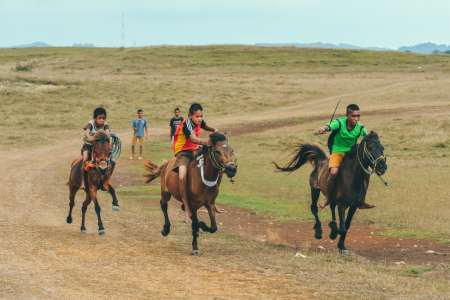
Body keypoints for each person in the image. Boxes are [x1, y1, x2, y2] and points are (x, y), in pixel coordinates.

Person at [317, 104, 375, 210]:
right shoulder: (340, 122)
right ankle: (327, 199)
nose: (356, 119)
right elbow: (330, 126)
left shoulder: (360, 127)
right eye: (353, 116)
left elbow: (365, 137)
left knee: (368, 172)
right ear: (347, 115)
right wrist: (323, 128)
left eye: (358, 116)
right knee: (333, 172)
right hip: (337, 151)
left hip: (352, 154)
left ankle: (362, 201)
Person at [172, 103, 219, 223]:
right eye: (197, 116)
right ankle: (187, 208)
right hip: (183, 152)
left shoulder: (199, 121)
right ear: (190, 115)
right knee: (182, 177)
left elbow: (207, 126)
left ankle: (212, 201)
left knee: (214, 164)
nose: (200, 119)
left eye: (201, 116)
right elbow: (193, 139)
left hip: (195, 149)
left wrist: (215, 130)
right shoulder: (187, 123)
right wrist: (205, 142)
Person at [80, 107, 110, 190]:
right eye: (99, 118)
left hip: (99, 147)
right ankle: (83, 181)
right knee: (85, 158)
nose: (101, 120)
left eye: (103, 118)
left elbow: (107, 131)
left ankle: (106, 181)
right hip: (88, 146)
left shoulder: (105, 125)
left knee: (110, 160)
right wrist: (89, 137)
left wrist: (107, 134)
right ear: (94, 118)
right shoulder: (91, 124)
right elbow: (86, 132)